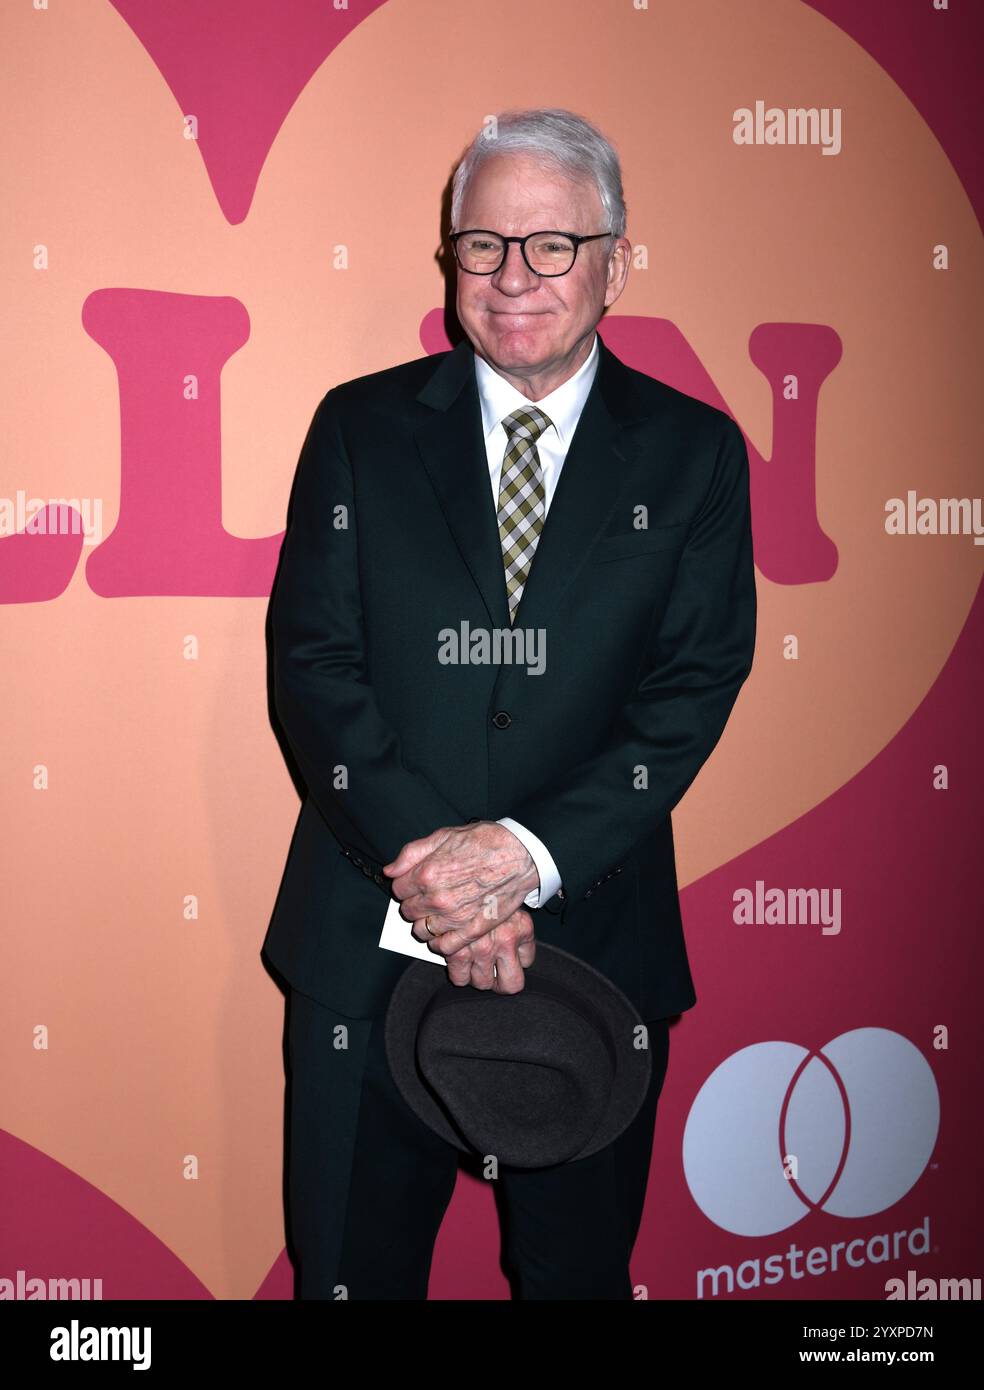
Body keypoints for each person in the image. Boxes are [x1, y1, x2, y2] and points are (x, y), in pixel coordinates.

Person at [263, 107, 756, 1300]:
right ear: (451, 260)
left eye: (552, 244)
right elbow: (313, 667)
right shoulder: (360, 427)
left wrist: (520, 860)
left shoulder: (693, 453)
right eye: (482, 244)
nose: (512, 276)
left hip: (589, 950)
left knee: (573, 1281)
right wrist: (435, 870)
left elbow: (690, 687)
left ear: (615, 263)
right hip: (366, 944)